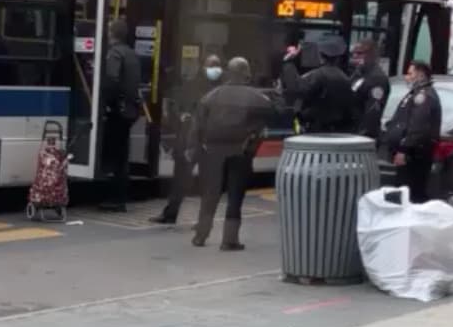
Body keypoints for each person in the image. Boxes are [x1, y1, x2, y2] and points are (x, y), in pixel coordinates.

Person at [191, 57, 276, 249]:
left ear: (228, 73)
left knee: (210, 194)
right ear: (246, 75)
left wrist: (195, 147)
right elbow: (273, 111)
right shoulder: (256, 97)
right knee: (235, 196)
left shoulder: (211, 96)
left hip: (213, 151)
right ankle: (229, 240)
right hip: (240, 151)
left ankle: (200, 235)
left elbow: (198, 125)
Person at [150, 55, 224, 224]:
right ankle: (170, 213)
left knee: (208, 182)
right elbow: (178, 107)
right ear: (203, 66)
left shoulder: (222, 89)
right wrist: (182, 116)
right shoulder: (192, 86)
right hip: (190, 139)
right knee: (180, 179)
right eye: (212, 65)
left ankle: (204, 218)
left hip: (210, 141)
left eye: (217, 65)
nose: (215, 69)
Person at [381, 60, 441, 203]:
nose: (407, 77)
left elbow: (417, 126)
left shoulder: (424, 96)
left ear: (420, 75)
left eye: (410, 74)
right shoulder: (415, 93)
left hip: (414, 155)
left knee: (409, 193)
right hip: (410, 153)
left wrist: (404, 150)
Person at [98, 18, 141, 212]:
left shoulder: (114, 53)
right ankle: (120, 197)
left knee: (115, 155)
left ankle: (115, 199)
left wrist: (107, 104)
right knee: (122, 154)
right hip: (130, 109)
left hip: (117, 110)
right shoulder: (132, 53)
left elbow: (112, 80)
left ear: (112, 33)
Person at [280, 35, 356, 133]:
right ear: (338, 57)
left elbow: (296, 89)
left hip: (317, 129)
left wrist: (288, 62)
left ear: (320, 55)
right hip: (337, 130)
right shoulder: (345, 78)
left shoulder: (318, 75)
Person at [349, 39, 390, 140]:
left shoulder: (377, 78)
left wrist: (362, 136)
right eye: (353, 53)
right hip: (350, 131)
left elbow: (372, 112)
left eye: (360, 53)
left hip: (361, 137)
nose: (355, 56)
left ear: (372, 55)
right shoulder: (358, 74)